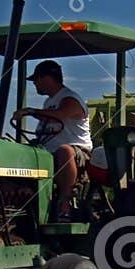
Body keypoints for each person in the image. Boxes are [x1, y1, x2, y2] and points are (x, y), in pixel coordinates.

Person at [18, 59, 92, 218]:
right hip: (49, 152)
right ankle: (22, 201)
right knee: (22, 151)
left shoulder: (70, 99)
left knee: (64, 151)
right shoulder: (48, 102)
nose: (34, 84)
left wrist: (31, 111)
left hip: (78, 153)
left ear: (47, 78)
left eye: (36, 80)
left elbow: (60, 114)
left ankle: (66, 202)